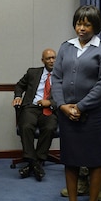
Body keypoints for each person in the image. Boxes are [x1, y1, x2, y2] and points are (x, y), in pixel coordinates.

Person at [52, 4, 101, 201]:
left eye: (87, 24)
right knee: (70, 160)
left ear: (96, 26)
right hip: (67, 114)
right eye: (79, 23)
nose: (82, 28)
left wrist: (80, 106)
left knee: (95, 162)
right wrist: (62, 106)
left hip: (94, 115)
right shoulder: (66, 47)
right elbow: (56, 78)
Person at [12, 48, 58, 181]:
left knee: (49, 128)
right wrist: (18, 96)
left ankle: (32, 164)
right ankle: (36, 163)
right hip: (31, 107)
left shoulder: (62, 76)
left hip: (49, 108)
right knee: (25, 126)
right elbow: (19, 86)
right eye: (48, 58)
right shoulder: (32, 72)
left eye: (54, 58)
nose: (51, 61)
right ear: (42, 60)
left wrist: (49, 102)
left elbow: (66, 97)